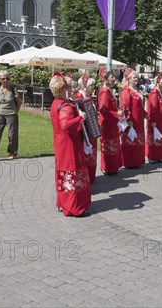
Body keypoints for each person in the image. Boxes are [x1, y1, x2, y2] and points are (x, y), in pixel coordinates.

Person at [49, 71, 91, 217]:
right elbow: (66, 124)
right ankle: (73, 206)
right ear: (63, 89)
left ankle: (63, 201)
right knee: (72, 171)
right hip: (69, 144)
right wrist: (80, 118)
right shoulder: (65, 106)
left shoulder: (55, 103)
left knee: (63, 172)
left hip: (60, 142)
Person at [119, 68, 147, 168]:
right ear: (128, 79)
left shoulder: (136, 90)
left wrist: (145, 114)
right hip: (132, 121)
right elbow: (125, 107)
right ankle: (130, 162)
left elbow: (140, 106)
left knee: (137, 139)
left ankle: (137, 161)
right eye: (134, 77)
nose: (137, 79)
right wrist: (128, 120)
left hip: (138, 120)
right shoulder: (126, 91)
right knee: (131, 139)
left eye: (137, 77)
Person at [97, 68, 122, 175]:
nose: (114, 79)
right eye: (112, 77)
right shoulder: (104, 92)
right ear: (106, 80)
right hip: (107, 123)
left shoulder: (108, 91)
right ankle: (107, 167)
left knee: (112, 144)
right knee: (108, 145)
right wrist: (116, 114)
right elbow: (103, 109)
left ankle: (112, 167)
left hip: (111, 122)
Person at [75, 73, 98, 184]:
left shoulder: (89, 96)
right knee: (86, 153)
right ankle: (87, 177)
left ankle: (91, 176)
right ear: (84, 85)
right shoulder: (79, 96)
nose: (93, 87)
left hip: (92, 128)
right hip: (85, 130)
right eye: (91, 85)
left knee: (92, 153)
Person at [146, 72, 162, 162]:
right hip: (156, 118)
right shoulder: (154, 93)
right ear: (158, 82)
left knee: (160, 136)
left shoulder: (161, 93)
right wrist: (153, 121)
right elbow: (153, 108)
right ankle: (152, 156)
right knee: (155, 136)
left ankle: (159, 155)